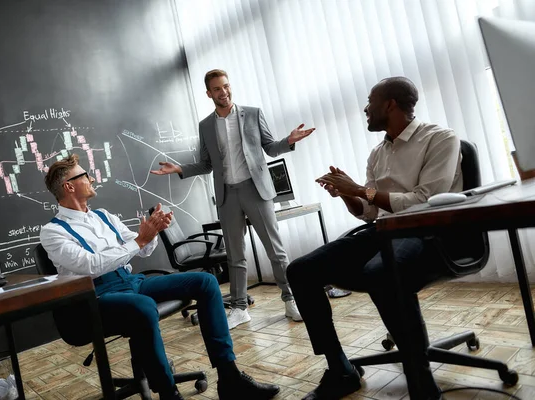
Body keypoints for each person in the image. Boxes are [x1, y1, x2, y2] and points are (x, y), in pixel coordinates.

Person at [39, 154, 280, 400]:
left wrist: (153, 232)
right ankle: (168, 393)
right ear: (69, 186)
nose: (90, 178)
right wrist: (139, 240)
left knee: (205, 282)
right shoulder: (52, 232)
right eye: (84, 175)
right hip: (96, 296)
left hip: (131, 282)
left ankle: (230, 378)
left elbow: (142, 248)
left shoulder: (104, 216)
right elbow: (90, 265)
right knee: (142, 306)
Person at [287, 77, 462, 400]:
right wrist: (346, 194)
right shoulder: (378, 152)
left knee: (382, 273)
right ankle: (341, 370)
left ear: (390, 104)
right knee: (300, 270)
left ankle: (421, 383)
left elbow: (427, 200)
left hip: (427, 232)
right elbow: (368, 211)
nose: (366, 108)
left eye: (370, 101)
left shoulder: (440, 139)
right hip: (382, 230)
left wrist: (362, 191)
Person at [151, 69, 315, 329]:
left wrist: (289, 141)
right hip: (227, 194)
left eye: (226, 86)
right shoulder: (206, 125)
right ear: (209, 93)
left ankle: (290, 299)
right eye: (217, 89)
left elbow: (270, 147)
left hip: (255, 189)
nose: (223, 92)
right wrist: (180, 169)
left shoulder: (252, 113)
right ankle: (239, 308)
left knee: (275, 250)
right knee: (235, 256)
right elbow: (206, 164)